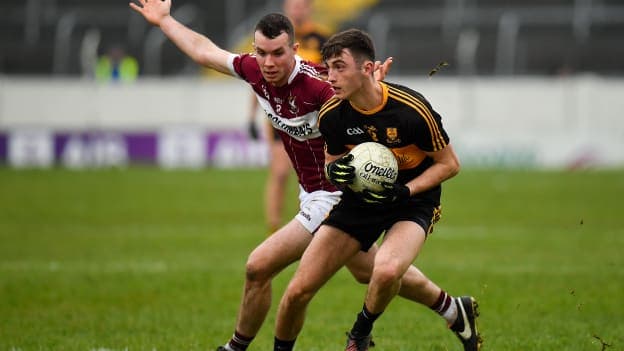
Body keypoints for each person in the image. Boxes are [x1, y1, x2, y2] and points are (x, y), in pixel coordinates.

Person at [129, 2, 472, 351]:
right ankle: (451, 308)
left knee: (259, 267)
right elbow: (206, 52)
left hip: (335, 194)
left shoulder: (321, 86)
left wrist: (371, 82)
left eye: (278, 53)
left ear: (294, 49)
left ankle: (236, 346)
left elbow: (361, 95)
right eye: (261, 53)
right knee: (373, 271)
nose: (269, 62)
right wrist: (165, 21)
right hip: (311, 190)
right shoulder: (254, 71)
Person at [273, 29, 482, 351]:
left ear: (367, 68)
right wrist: (337, 171)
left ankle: (360, 333)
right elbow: (332, 161)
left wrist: (405, 192)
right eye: (328, 68)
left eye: (340, 66)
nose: (331, 76)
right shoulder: (332, 115)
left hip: (413, 201)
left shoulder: (411, 109)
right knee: (297, 291)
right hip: (360, 201)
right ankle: (455, 310)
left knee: (385, 270)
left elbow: (449, 165)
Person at [247, 0, 331, 234]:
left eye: (302, 5)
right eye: (293, 5)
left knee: (311, 176)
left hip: (312, 119)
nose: (297, 10)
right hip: (280, 116)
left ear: (310, 8)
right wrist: (251, 116)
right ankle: (273, 228)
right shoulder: (273, 40)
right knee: (281, 172)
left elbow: (333, 76)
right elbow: (260, 82)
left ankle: (308, 225)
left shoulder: (323, 39)